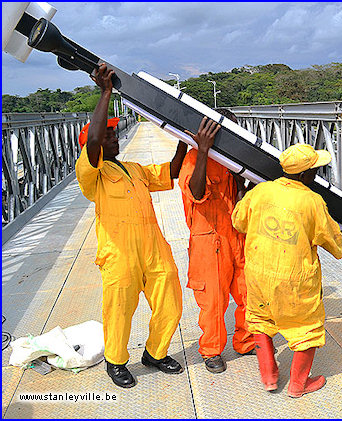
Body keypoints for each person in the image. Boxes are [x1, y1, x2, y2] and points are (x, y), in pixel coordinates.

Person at [75, 63, 188, 388]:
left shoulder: (134, 169)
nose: (114, 136)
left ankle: (154, 352)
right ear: (93, 144)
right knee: (119, 312)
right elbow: (94, 141)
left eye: (114, 132)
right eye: (108, 134)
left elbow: (172, 171)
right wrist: (105, 92)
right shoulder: (92, 175)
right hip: (119, 255)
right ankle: (116, 361)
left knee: (171, 303)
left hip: (153, 251)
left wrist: (185, 138)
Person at [232, 143, 342, 398]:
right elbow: (334, 246)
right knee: (307, 327)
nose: (317, 174)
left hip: (259, 272)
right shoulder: (312, 201)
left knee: (260, 319)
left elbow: (238, 221)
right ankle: (298, 384)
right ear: (304, 175)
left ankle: (269, 377)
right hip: (295, 278)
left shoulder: (261, 191)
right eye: (315, 169)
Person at [178, 109, 255, 374]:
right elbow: (197, 191)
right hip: (209, 240)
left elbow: (239, 191)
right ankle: (211, 350)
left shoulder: (230, 161)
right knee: (213, 301)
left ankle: (245, 341)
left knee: (247, 292)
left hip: (236, 235)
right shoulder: (193, 159)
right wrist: (203, 150)